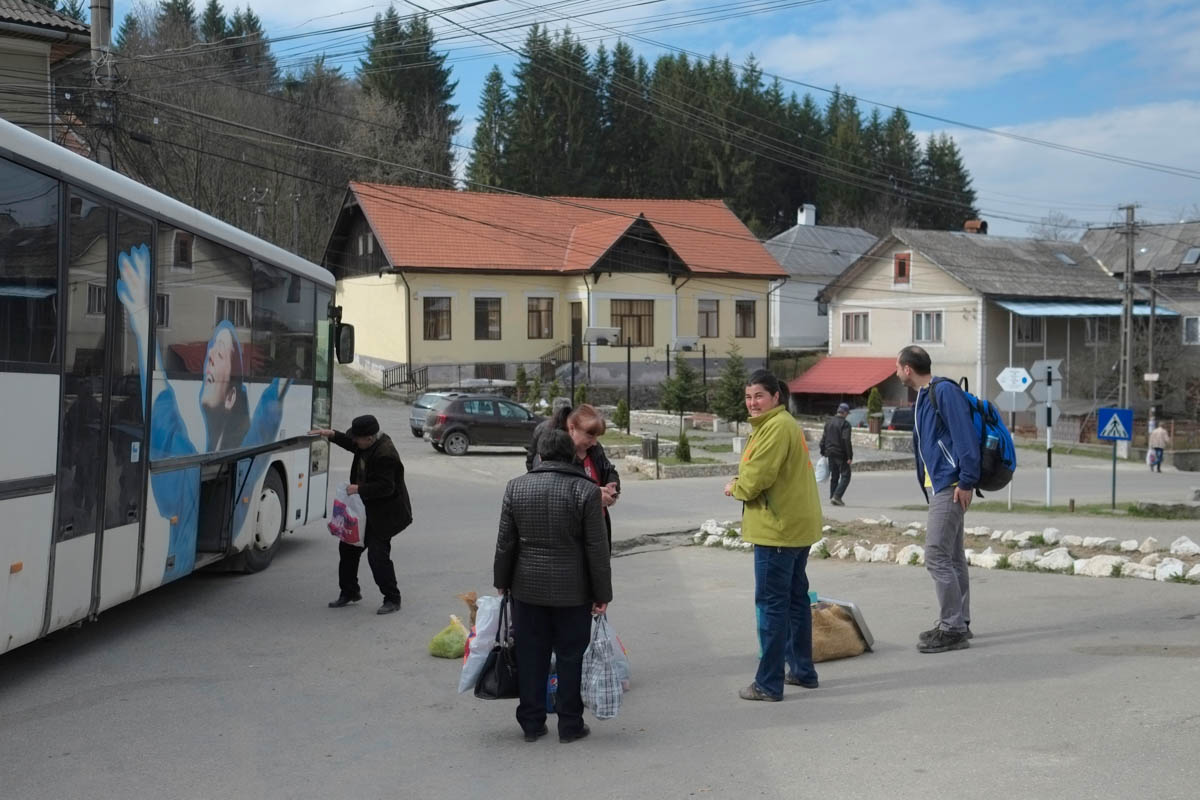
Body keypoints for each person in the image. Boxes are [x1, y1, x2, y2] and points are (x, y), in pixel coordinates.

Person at [494, 429, 612, 744]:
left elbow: (506, 542)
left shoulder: (516, 487)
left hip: (526, 589)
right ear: (572, 455)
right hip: (573, 591)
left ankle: (532, 723)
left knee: (531, 654)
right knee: (571, 656)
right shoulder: (586, 491)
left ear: (540, 455)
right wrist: (602, 594)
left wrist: (501, 581)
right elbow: (596, 549)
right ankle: (570, 725)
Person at [723, 370, 823, 702]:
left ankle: (768, 683)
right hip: (794, 526)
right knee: (795, 601)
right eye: (748, 397)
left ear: (775, 397)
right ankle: (802, 671)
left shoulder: (775, 427)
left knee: (772, 606)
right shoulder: (781, 424)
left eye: (759, 396)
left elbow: (756, 478)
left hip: (777, 530)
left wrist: (735, 487)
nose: (752, 403)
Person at [895, 345, 978, 654]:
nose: (896, 372)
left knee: (935, 555)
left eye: (897, 367)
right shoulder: (925, 395)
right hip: (942, 484)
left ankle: (952, 627)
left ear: (907, 368)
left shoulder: (943, 391)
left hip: (951, 484)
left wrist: (967, 480)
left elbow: (965, 436)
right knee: (952, 556)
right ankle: (959, 621)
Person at [311, 415, 413, 614]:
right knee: (348, 549)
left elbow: (386, 487)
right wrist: (331, 435)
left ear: (370, 438)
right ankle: (350, 591)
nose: (355, 441)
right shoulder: (366, 443)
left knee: (377, 556)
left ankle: (392, 598)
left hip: (383, 515)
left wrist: (358, 489)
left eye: (357, 438)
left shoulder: (386, 454)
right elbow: (351, 444)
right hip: (365, 511)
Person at [526, 403, 620, 550]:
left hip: (597, 524)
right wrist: (593, 498)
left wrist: (612, 484)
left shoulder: (594, 449)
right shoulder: (552, 452)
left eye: (597, 436)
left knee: (601, 563)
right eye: (590, 435)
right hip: (569, 532)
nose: (594, 442)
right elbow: (549, 492)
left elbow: (609, 470)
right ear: (571, 428)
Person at [820, 402, 853, 505]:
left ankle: (833, 496)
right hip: (840, 453)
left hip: (830, 452)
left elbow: (823, 438)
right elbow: (846, 440)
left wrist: (823, 451)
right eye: (847, 413)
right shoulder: (845, 424)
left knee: (834, 475)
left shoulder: (829, 422)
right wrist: (849, 456)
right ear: (845, 413)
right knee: (846, 475)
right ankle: (837, 496)